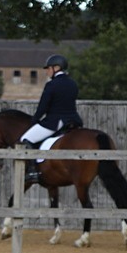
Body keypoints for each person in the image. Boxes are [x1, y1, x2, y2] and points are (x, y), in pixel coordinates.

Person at [20, 53, 83, 184]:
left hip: (54, 122)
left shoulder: (52, 85)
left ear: (57, 68)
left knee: (25, 140)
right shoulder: (73, 84)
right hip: (73, 121)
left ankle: (32, 172)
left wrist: (34, 120)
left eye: (49, 68)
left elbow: (43, 107)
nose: (47, 71)